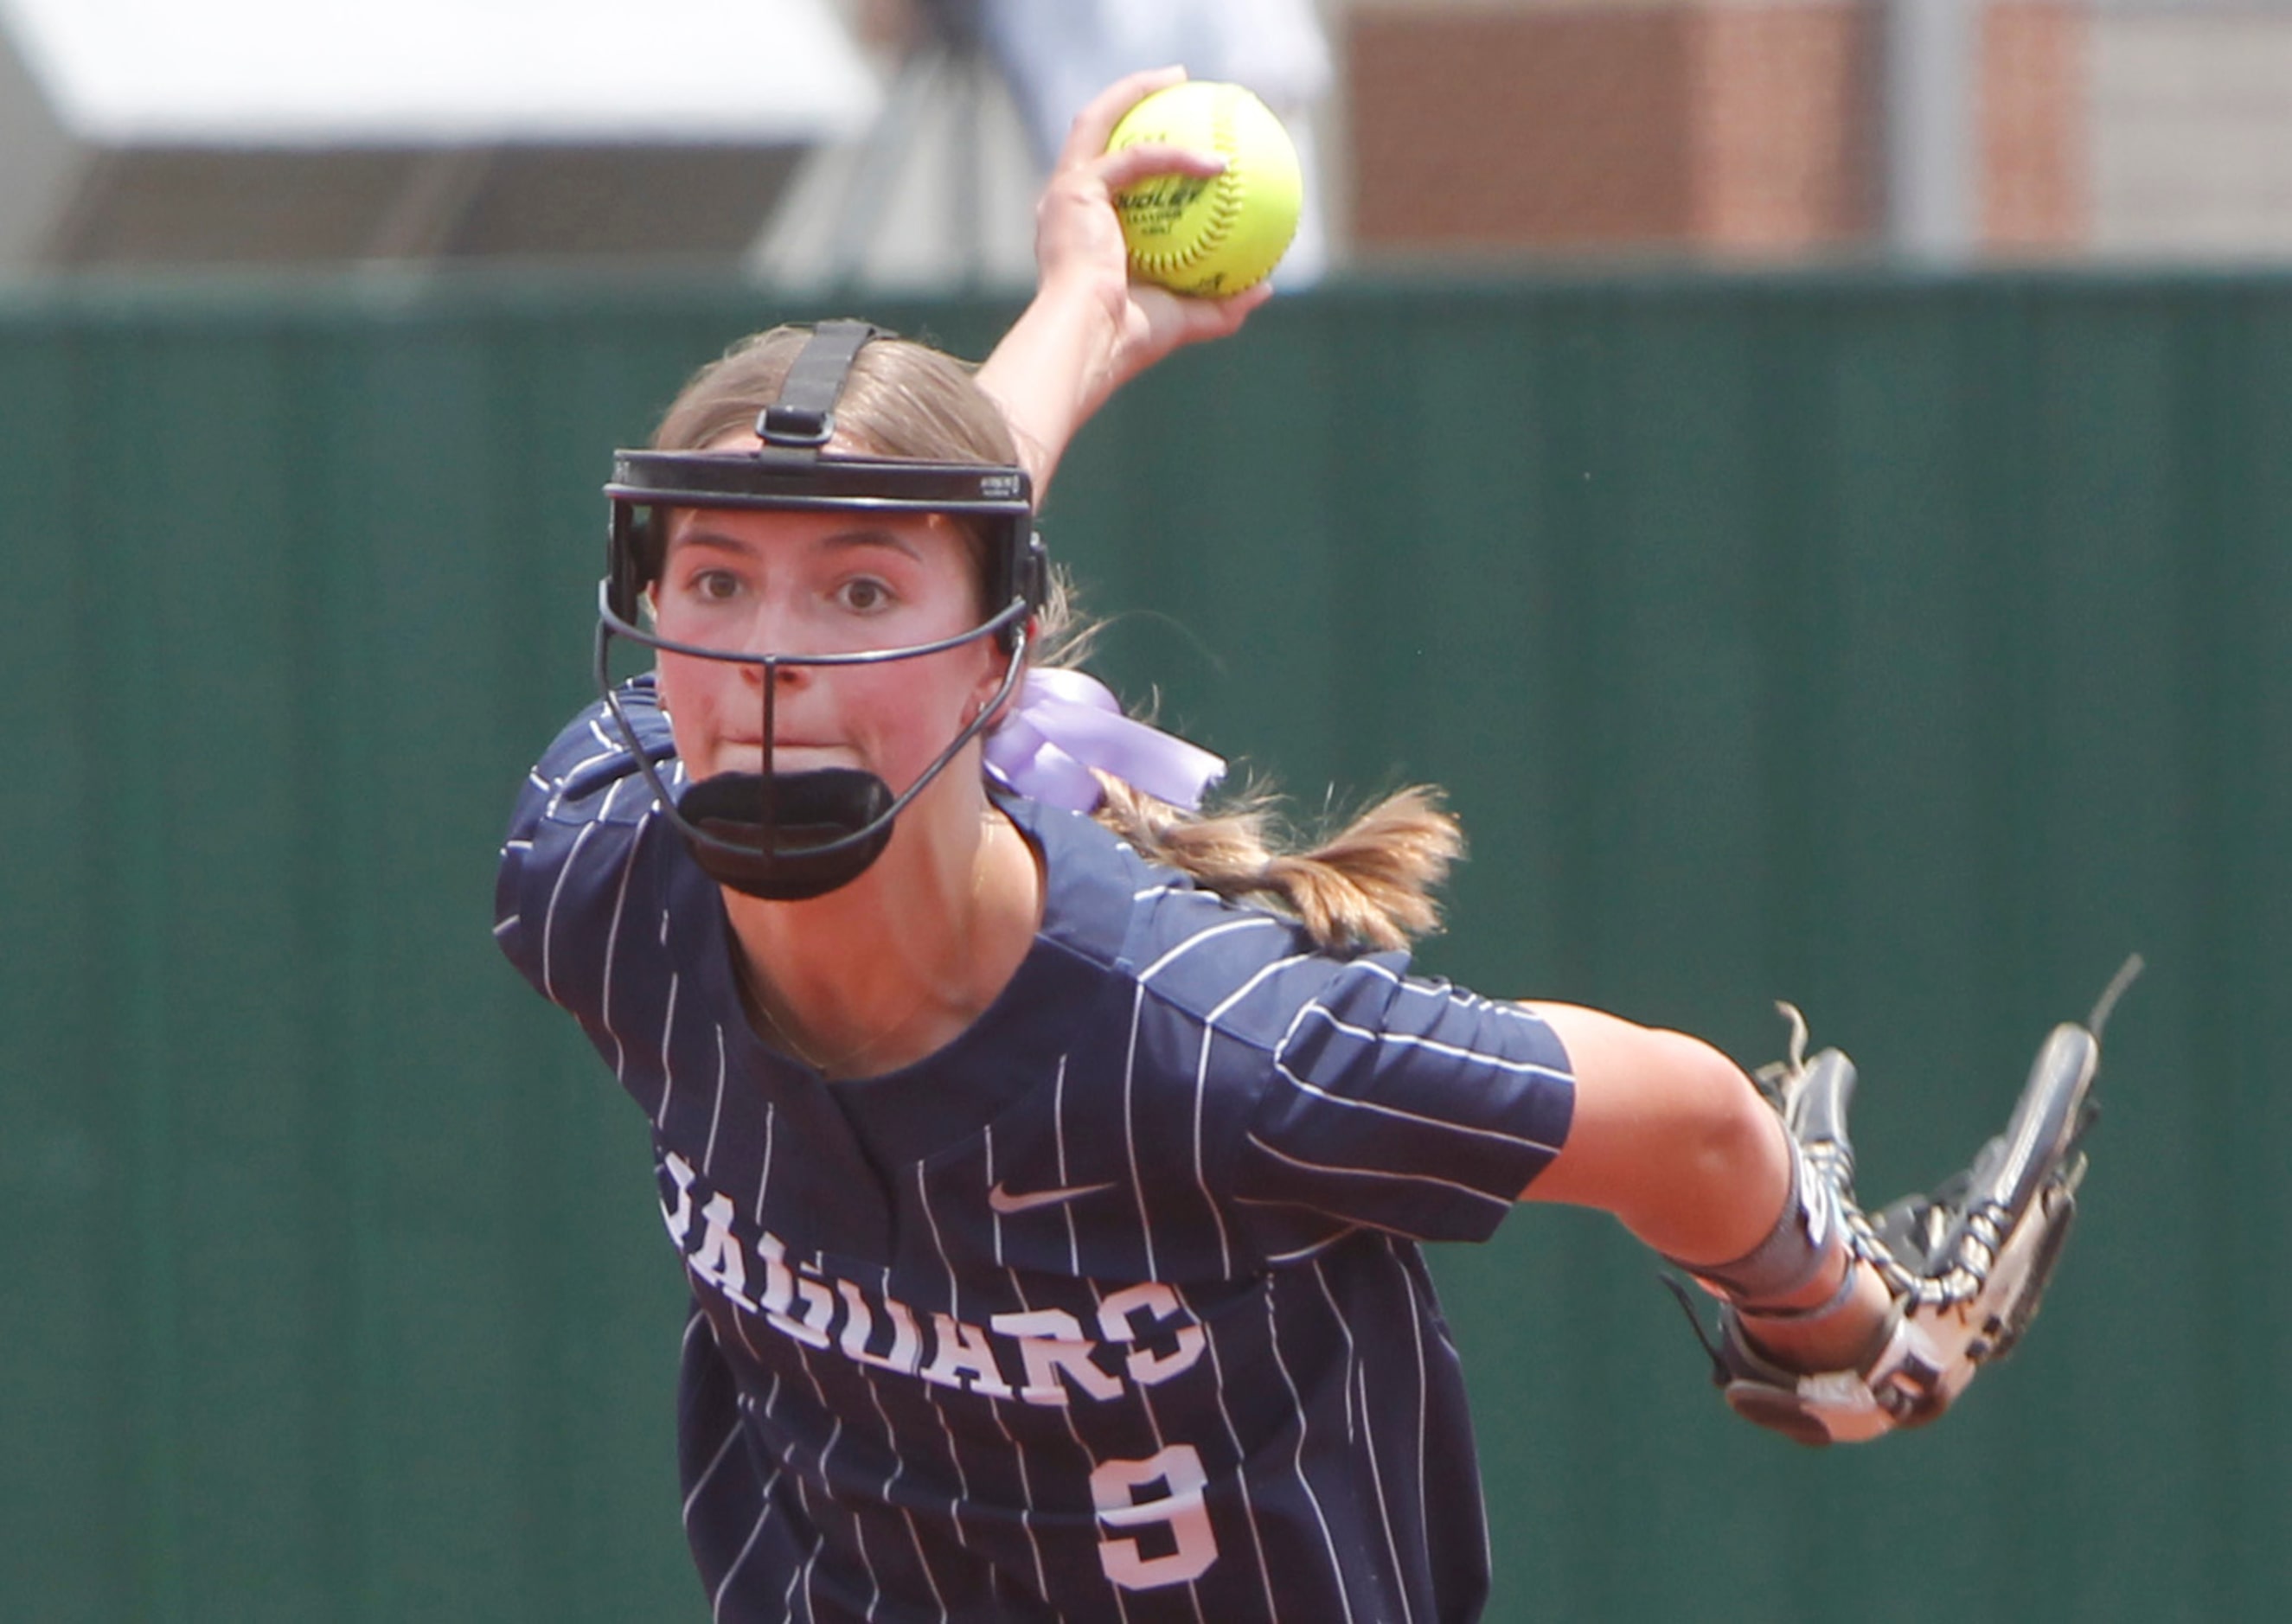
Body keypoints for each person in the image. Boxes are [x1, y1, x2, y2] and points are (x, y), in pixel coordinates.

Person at [496, 69, 1897, 1622]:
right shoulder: (604, 869)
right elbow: (935, 550)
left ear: (994, 665)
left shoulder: (1218, 1046)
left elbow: (1689, 1123)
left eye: (858, 594)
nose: (769, 662)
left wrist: (1834, 1322)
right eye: (712, 582)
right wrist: (1080, 313)